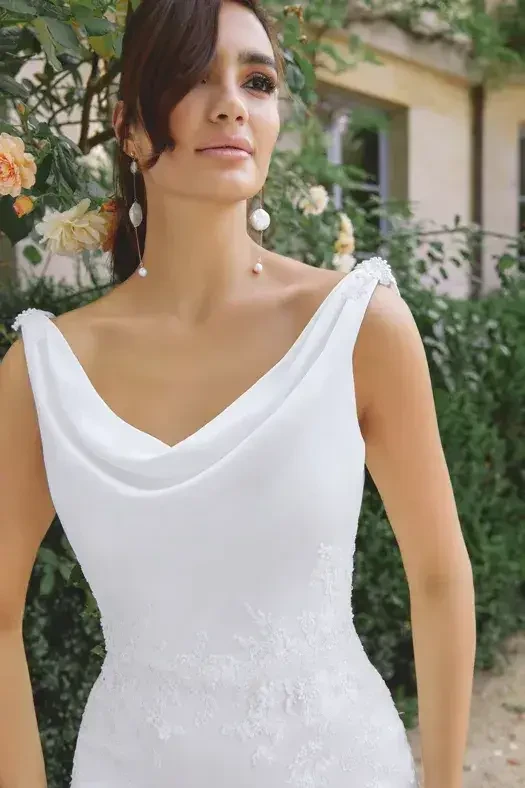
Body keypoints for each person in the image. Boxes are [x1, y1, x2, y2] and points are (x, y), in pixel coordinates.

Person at [0, 0, 476, 786]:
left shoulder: (357, 327)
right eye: (194, 75)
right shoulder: (42, 372)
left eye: (256, 80)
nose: (231, 102)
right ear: (130, 126)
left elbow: (437, 574)